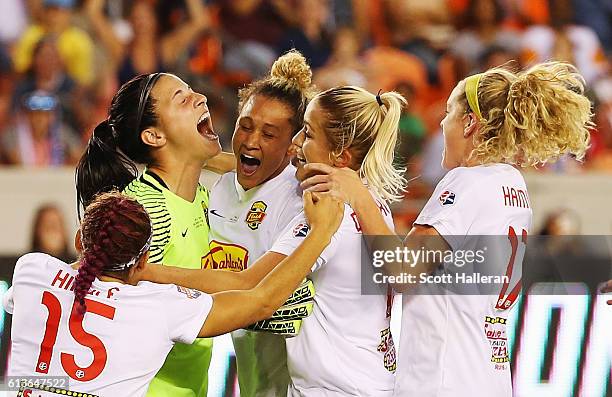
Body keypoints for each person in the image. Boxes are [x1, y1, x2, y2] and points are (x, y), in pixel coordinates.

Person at [301, 61, 592, 396]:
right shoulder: (513, 185)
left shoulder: (468, 181)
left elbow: (402, 271)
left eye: (450, 111)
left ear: (469, 123)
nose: (441, 121)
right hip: (487, 375)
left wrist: (360, 196)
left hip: (443, 379)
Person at [142, 85, 407, 396]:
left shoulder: (328, 216)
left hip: (332, 389)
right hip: (368, 382)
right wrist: (196, 156)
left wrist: (147, 271)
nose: (295, 144)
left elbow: (250, 287)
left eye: (306, 134)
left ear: (340, 156)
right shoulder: (371, 203)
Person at [4, 190, 343, 397]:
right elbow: (262, 300)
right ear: (143, 261)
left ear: (80, 239)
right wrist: (321, 232)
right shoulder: (158, 308)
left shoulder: (31, 270)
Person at [74, 72, 229, 397]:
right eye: (182, 99)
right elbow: (119, 307)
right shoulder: (143, 210)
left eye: (192, 91)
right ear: (154, 136)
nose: (200, 98)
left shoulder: (204, 197)